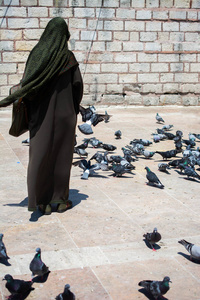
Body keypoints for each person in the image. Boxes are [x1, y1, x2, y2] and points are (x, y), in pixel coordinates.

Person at [0, 17, 83, 215]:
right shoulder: (68, 59)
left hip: (41, 116)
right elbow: (77, 87)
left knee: (40, 156)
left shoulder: (37, 54)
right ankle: (61, 200)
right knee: (62, 158)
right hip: (65, 117)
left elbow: (27, 84)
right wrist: (72, 108)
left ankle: (40, 203)